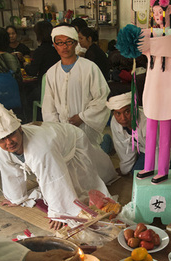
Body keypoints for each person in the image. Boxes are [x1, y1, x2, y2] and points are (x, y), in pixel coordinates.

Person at [0, 100, 113, 230]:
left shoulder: (41, 148)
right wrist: (16, 197)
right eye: (1, 139)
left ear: (20, 129)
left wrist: (58, 212)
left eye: (11, 134)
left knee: (88, 183)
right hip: (52, 140)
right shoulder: (3, 149)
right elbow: (10, 172)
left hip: (72, 139)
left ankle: (105, 145)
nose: (8, 142)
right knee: (58, 174)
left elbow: (54, 178)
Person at [41, 24, 117, 184]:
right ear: (54, 45)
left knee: (90, 159)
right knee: (67, 163)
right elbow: (48, 105)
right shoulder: (52, 73)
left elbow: (102, 97)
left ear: (75, 43)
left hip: (86, 125)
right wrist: (56, 127)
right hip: (62, 126)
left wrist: (82, 117)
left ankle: (104, 151)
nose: (64, 46)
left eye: (68, 42)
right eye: (59, 42)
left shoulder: (89, 68)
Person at [136, 0, 171, 184]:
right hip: (153, 85)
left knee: (165, 133)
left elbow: (163, 45)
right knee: (150, 129)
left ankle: (163, 169)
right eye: (154, 13)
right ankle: (148, 166)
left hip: (167, 88)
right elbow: (144, 46)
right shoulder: (152, 33)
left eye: (160, 12)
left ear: (169, 10)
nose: (157, 17)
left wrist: (148, 38)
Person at [107, 92, 171, 175]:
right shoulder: (115, 122)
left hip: (170, 144)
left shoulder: (148, 122)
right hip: (146, 147)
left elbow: (159, 149)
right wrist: (125, 169)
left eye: (127, 111)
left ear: (134, 108)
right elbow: (122, 147)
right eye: (118, 113)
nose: (123, 118)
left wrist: (158, 175)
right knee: (134, 172)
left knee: (140, 172)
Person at [23, 20, 60, 121]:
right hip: (59, 87)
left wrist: (26, 65)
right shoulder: (58, 49)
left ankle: (33, 122)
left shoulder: (40, 51)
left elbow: (32, 72)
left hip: (46, 89)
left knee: (26, 96)